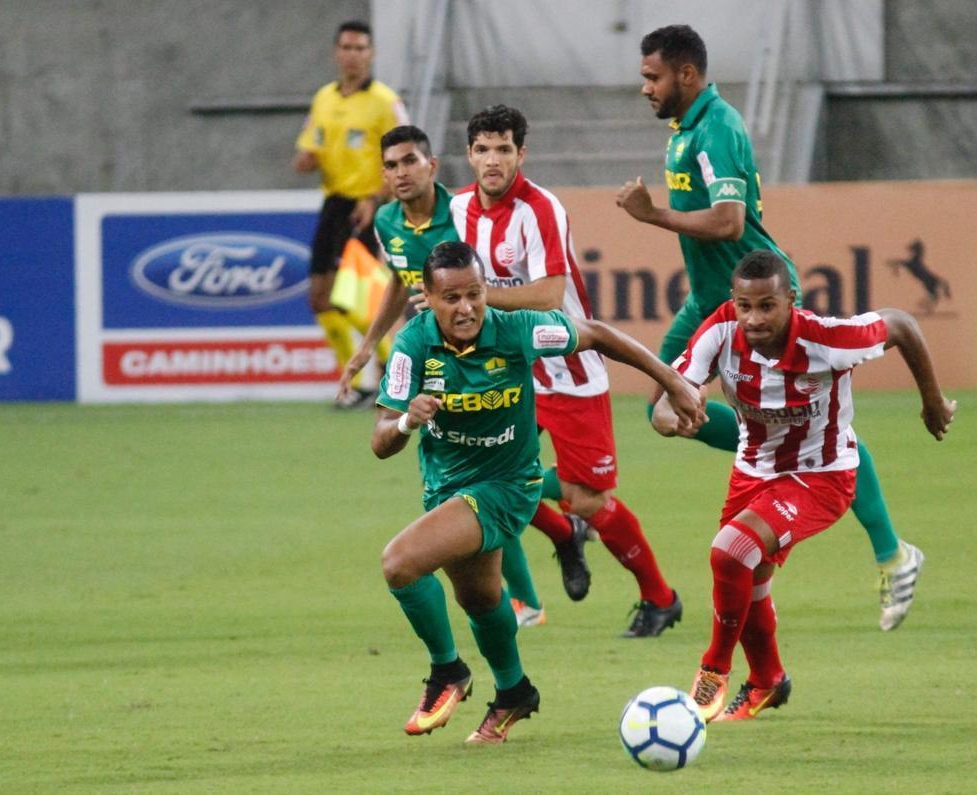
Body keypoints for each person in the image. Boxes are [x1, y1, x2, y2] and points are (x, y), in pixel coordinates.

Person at [619, 24, 924, 631]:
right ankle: (778, 457)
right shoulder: (686, 131)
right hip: (707, 301)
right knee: (666, 411)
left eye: (652, 77)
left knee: (816, 428)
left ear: (686, 74)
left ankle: (892, 551)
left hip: (758, 298)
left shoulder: (718, 126)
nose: (645, 88)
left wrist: (654, 216)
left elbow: (732, 223)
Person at [375, 241, 702, 743]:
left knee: (400, 563)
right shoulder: (413, 346)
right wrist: (404, 420)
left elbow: (596, 335)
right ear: (427, 297)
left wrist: (673, 382)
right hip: (448, 488)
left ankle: (447, 672)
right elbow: (380, 441)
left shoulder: (517, 329)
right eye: (451, 298)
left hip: (508, 486)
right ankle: (514, 693)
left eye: (475, 294)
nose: (466, 308)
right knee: (481, 600)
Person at [652, 250, 956, 721]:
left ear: (790, 300)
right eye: (744, 306)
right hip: (752, 471)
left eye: (767, 306)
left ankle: (713, 670)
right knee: (748, 578)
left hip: (822, 475)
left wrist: (932, 402)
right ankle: (768, 681)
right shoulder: (720, 330)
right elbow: (667, 401)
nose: (753, 318)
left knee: (730, 552)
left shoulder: (828, 339)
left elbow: (901, 325)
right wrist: (674, 415)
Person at [451, 104, 684, 637]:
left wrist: (480, 298)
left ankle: (660, 597)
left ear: (520, 154)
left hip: (567, 365)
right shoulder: (460, 207)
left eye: (504, 149)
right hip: (507, 369)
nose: (493, 160)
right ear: (469, 155)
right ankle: (563, 536)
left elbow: (549, 294)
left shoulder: (541, 209)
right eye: (483, 149)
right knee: (485, 477)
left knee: (589, 498)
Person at [340, 124, 550, 629]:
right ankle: (533, 584)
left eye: (409, 161)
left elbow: (489, 286)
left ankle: (529, 593)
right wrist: (369, 344)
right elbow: (398, 280)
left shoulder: (461, 215)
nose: (400, 173)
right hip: (433, 356)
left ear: (432, 165)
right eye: (390, 165)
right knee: (472, 481)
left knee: (488, 475)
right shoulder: (387, 221)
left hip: (486, 360)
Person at [293, 19, 409, 409]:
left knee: (355, 298)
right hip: (334, 204)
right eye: (347, 47)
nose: (353, 55)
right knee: (319, 297)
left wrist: (376, 198)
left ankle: (395, 370)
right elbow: (310, 148)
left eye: (361, 48)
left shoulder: (385, 102)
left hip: (368, 205)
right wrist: (307, 159)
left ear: (371, 54)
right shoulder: (324, 97)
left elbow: (406, 156)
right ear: (336, 53)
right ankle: (356, 387)